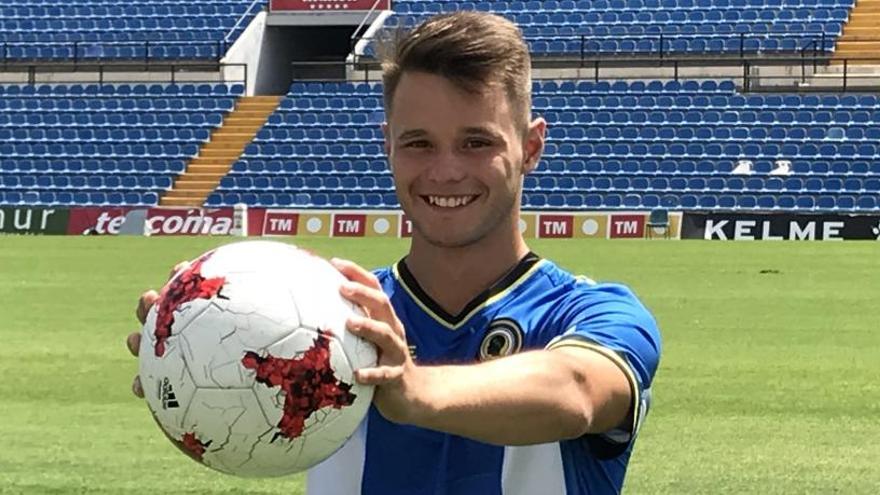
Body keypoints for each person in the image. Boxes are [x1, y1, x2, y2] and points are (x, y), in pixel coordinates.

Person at [127, 11, 661, 494]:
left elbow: (578, 391)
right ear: (388, 144)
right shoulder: (331, 315)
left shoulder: (599, 313)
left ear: (531, 147)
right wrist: (195, 357)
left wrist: (415, 389)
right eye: (419, 142)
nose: (446, 170)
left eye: (477, 142)